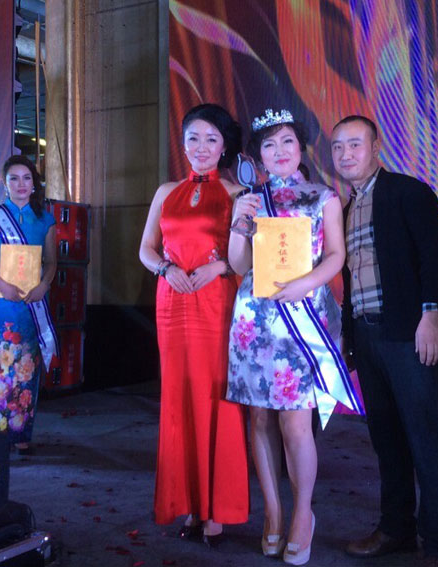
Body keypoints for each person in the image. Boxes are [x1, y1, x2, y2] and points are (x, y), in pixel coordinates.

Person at [227, 109, 360, 565]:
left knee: (295, 423)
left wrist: (307, 283)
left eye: (287, 142)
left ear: (300, 147)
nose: (279, 151)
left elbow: (337, 255)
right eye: (269, 145)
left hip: (304, 316)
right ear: (257, 156)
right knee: (259, 419)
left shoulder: (323, 197)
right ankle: (273, 511)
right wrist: (238, 222)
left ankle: (303, 513)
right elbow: (239, 265)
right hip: (256, 320)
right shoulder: (250, 198)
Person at [331, 115, 438, 566]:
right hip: (368, 337)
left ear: (376, 147)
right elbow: (351, 280)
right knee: (386, 441)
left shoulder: (408, 192)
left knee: (426, 441)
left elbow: (436, 257)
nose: (345, 154)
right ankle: (396, 530)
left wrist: (431, 315)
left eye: (355, 144)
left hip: (409, 335)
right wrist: (349, 337)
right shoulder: (343, 208)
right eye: (337, 147)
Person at [139, 103, 249, 545]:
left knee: (215, 398)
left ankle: (216, 509)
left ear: (224, 146)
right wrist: (165, 269)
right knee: (179, 398)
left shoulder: (240, 193)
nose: (201, 147)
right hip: (172, 302)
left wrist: (220, 266)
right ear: (182, 144)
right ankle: (189, 504)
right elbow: (147, 249)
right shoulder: (166, 191)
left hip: (216, 303)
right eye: (193, 138)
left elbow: (249, 258)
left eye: (211, 139)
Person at [0, 155, 56, 454]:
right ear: (4, 183)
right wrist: (1, 284)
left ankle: (21, 432)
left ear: (34, 183)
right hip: (0, 300)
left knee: (26, 366)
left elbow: (52, 261)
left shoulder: (45, 219)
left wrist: (44, 285)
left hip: (32, 301)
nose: (21, 184)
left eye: (26, 178)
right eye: (14, 178)